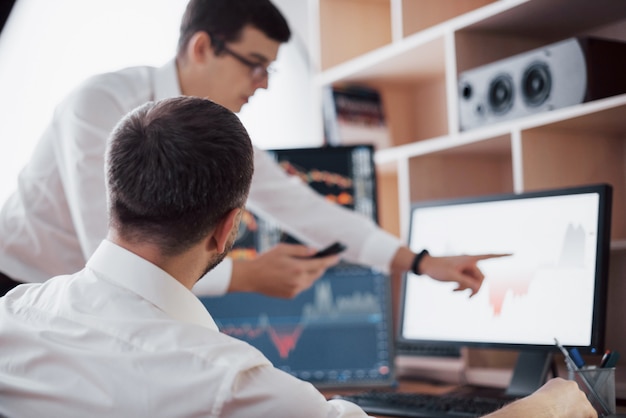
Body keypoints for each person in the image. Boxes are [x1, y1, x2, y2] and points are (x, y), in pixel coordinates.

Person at [0, 97, 597, 418]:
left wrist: (415, 261)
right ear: (229, 228)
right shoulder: (230, 386)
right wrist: (554, 405)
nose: (262, 80)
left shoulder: (15, 313)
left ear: (114, 198)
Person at [0, 0, 504, 299]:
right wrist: (246, 276)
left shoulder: (208, 131)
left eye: (270, 70)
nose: (262, 84)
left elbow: (301, 205)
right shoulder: (98, 104)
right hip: (18, 289)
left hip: (95, 300)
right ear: (202, 48)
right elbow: (108, 253)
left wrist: (418, 262)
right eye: (254, 64)